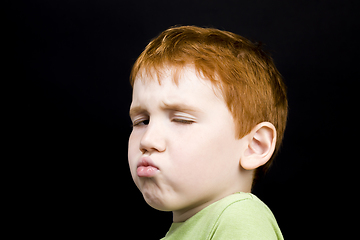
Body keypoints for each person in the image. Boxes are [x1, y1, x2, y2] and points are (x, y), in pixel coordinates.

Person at [128, 25, 287, 239]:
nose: (148, 140)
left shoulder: (239, 218)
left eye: (182, 119)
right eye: (142, 121)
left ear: (254, 146)